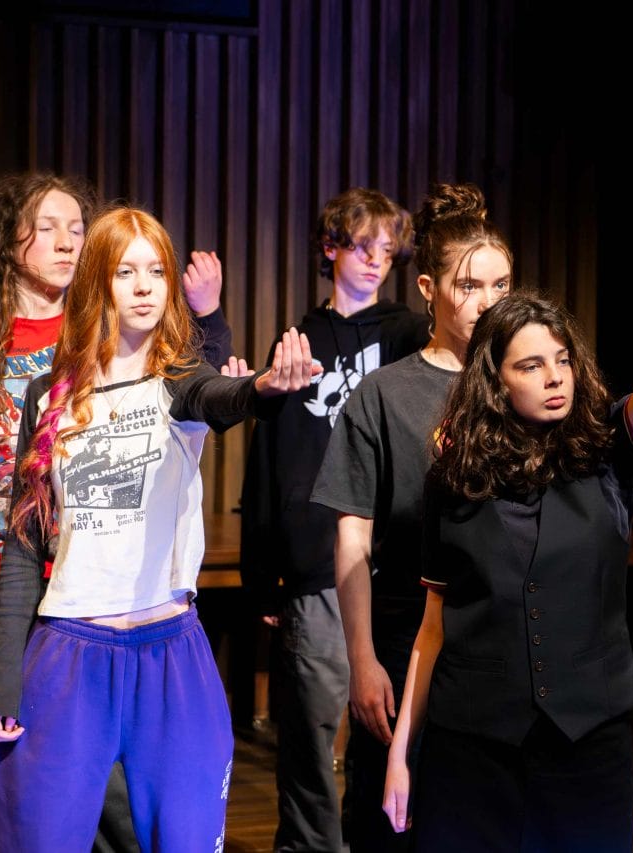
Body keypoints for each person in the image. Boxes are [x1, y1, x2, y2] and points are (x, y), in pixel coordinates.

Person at [379, 187, 633, 850]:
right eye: (532, 365)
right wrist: (399, 753)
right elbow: (431, 631)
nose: (555, 376)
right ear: (498, 380)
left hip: (587, 745)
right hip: (473, 747)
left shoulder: (608, 452)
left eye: (561, 359)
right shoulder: (455, 478)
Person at [0, 172, 233, 853]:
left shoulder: (102, 335)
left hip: (70, 591)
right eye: (47, 226)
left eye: (78, 228)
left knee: (87, 791)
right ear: (7, 237)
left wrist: (215, 322)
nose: (67, 240)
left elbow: (197, 387)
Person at [0, 206, 315, 851]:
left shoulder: (178, 380)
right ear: (98, 283)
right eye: (126, 271)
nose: (143, 287)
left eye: (156, 271)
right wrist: (3, 679)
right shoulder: (48, 395)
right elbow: (23, 546)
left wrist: (266, 388)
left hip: (170, 652)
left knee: (186, 839)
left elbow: (222, 397)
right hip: (70, 652)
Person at [310, 182, 515, 852]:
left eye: (502, 285)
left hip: (500, 648)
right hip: (403, 643)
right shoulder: (384, 396)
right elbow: (352, 539)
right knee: (391, 825)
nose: (488, 302)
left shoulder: (526, 383)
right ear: (429, 287)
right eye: (469, 285)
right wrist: (362, 658)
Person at [240, 186, 427, 852]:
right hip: (319, 563)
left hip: (394, 564)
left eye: (388, 249)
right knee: (310, 732)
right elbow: (272, 459)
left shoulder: (409, 334)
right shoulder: (300, 338)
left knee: (389, 730)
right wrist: (263, 575)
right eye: (363, 245)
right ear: (330, 248)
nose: (378, 260)